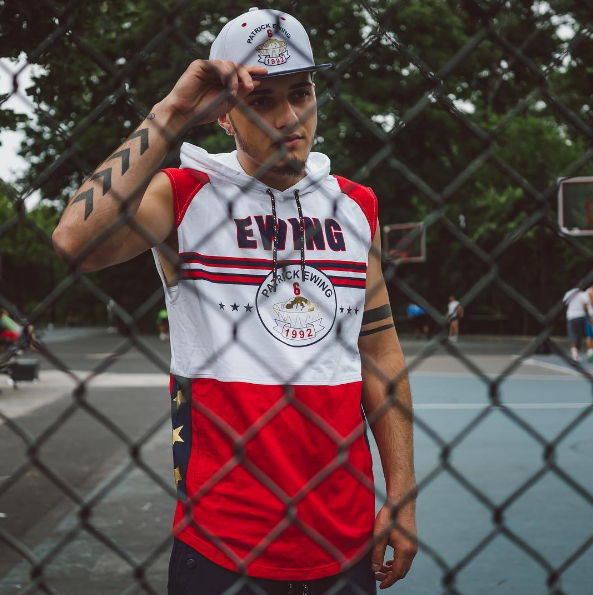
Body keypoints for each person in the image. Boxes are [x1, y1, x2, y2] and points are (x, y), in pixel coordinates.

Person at [52, 8, 417, 594]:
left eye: (301, 94)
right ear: (223, 114)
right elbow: (75, 241)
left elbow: (380, 353)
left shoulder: (355, 207)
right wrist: (173, 111)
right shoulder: (185, 195)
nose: (288, 117)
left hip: (344, 539)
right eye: (262, 100)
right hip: (224, 544)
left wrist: (401, 496)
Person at [563, 287, 592, 363]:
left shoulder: (569, 293)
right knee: (578, 336)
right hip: (580, 316)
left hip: (571, 317)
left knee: (572, 335)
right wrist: (588, 317)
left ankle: (574, 354)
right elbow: (586, 306)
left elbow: (565, 303)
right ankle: (576, 354)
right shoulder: (583, 294)